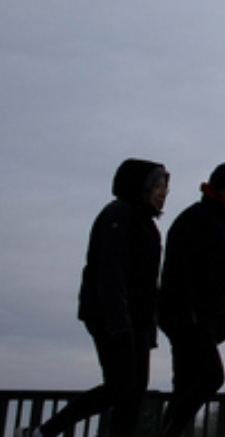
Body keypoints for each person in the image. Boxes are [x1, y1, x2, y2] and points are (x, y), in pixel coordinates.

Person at [25, 159, 169, 437]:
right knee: (120, 385)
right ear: (140, 187)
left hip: (137, 322)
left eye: (165, 187)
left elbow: (149, 285)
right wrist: (118, 322)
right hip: (110, 316)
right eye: (157, 185)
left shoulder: (149, 226)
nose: (163, 192)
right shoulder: (118, 215)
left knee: (134, 391)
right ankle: (43, 432)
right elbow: (109, 272)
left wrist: (149, 327)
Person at [156, 163, 225, 437]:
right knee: (211, 376)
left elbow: (217, 279)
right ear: (219, 188)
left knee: (185, 384)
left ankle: (168, 432)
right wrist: (190, 317)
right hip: (187, 318)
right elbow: (179, 272)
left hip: (198, 319)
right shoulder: (197, 218)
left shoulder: (216, 220)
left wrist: (220, 318)